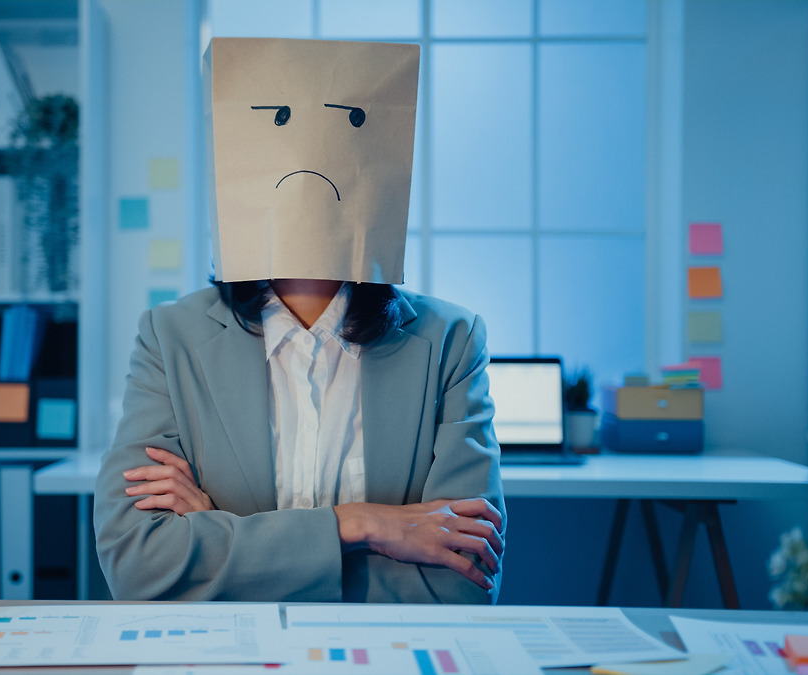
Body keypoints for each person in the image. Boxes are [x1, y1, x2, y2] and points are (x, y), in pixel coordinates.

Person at [92, 37, 505, 604]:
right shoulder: (172, 338)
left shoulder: (450, 344)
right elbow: (137, 566)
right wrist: (364, 526)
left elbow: (461, 580)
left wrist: (221, 537)